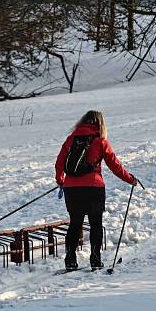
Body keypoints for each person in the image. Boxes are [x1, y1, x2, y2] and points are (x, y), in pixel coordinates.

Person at [55, 110, 136, 271]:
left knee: (75, 224)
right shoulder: (100, 142)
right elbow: (115, 165)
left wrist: (61, 181)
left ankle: (70, 260)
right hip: (94, 188)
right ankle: (95, 259)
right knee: (95, 224)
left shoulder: (71, 140)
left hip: (72, 189)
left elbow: (59, 163)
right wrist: (130, 179)